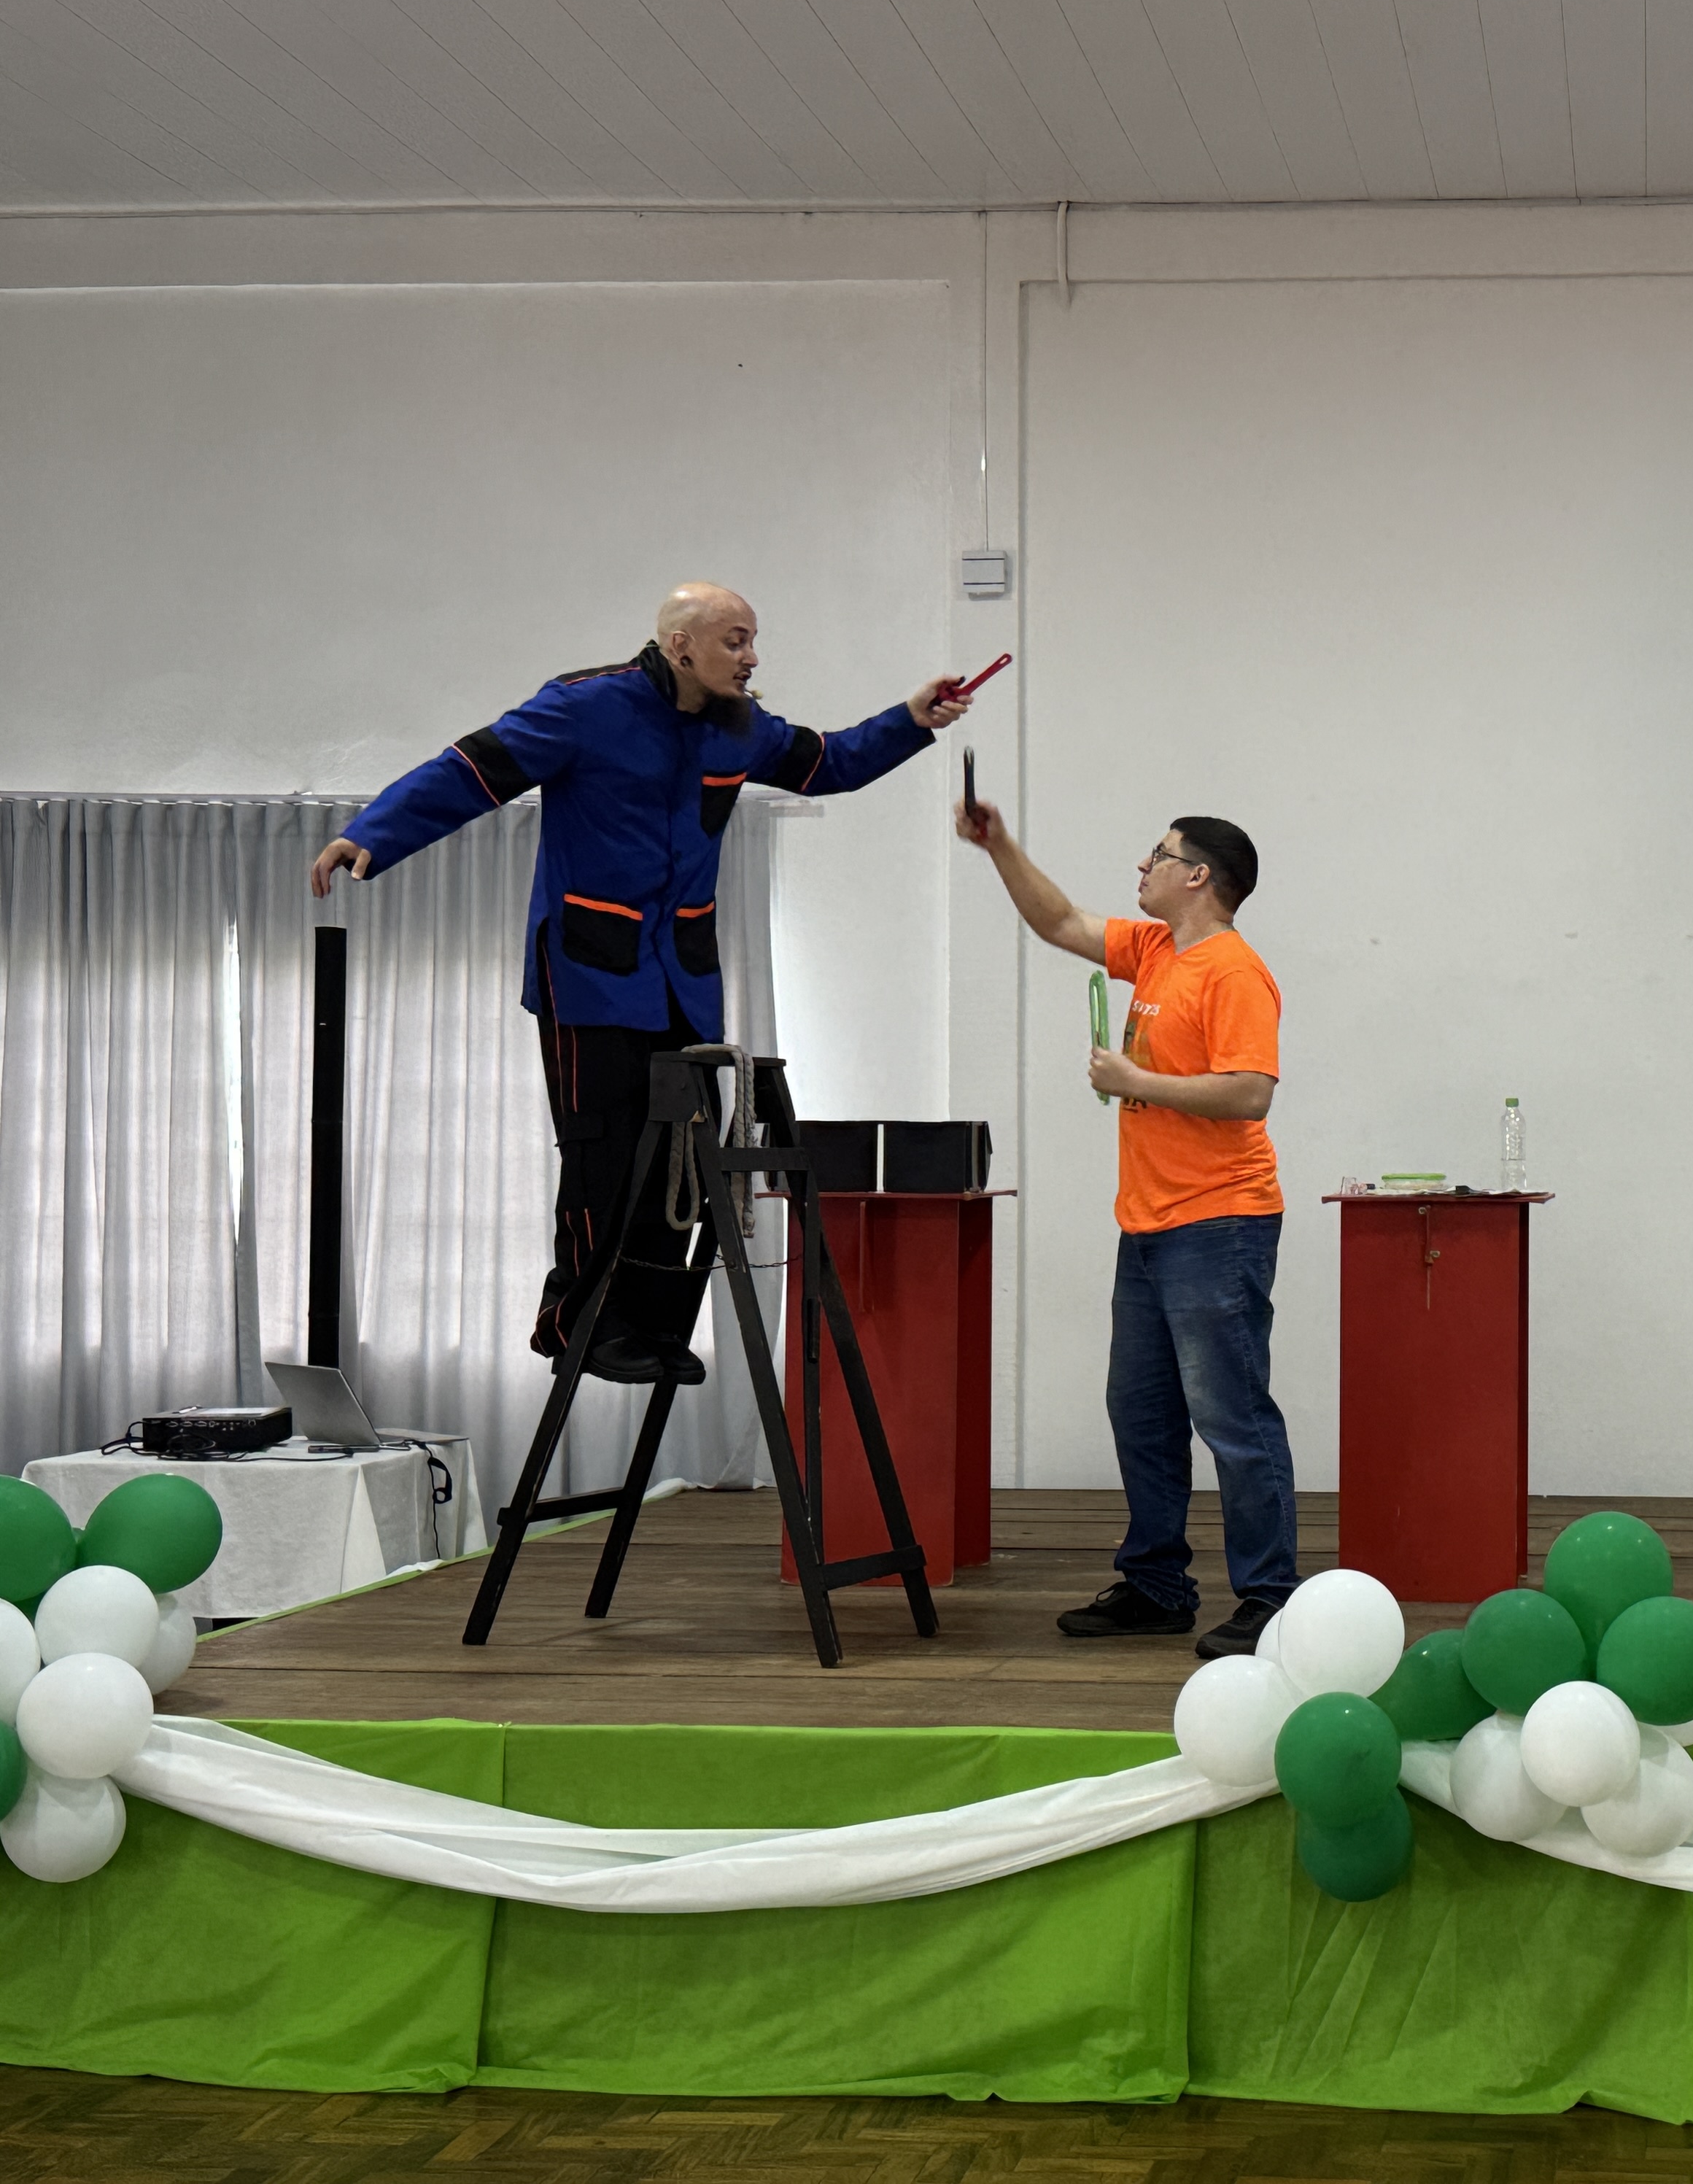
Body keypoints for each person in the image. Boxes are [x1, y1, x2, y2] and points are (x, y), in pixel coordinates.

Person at [312, 584, 975, 1385]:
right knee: (604, 1156)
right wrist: (372, 834)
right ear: (680, 644)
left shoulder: (741, 726)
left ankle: (656, 1327)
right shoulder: (583, 707)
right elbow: (471, 772)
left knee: (681, 1162)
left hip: (682, 981)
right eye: (735, 640)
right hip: (588, 975)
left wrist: (911, 718)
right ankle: (585, 1326)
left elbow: (828, 763)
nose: (752, 657)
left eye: (753, 640)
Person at [954, 794, 1297, 1660]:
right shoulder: (1154, 950)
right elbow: (1059, 920)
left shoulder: (1233, 972)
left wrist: (1134, 1082)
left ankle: (1271, 1600)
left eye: (1160, 854)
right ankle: (1156, 1586)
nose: (1143, 865)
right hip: (1148, 1226)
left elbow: (1249, 1092)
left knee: (1232, 1416)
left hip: (1220, 1222)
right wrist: (999, 846)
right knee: (1141, 1411)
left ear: (1199, 877)